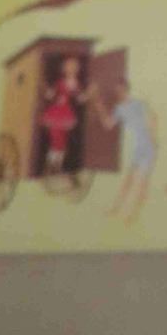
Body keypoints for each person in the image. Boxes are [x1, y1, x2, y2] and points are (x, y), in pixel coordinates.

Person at [90, 78, 159, 223]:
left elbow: (153, 117)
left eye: (121, 90)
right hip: (137, 147)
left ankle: (134, 215)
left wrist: (153, 138)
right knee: (128, 180)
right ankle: (116, 208)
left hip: (148, 146)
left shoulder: (138, 103)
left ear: (127, 89)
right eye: (117, 91)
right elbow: (108, 124)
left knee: (142, 182)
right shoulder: (119, 109)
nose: (119, 93)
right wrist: (99, 105)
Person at [39, 54, 86, 176]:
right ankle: (49, 166)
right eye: (68, 66)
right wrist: (44, 87)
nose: (71, 69)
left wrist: (89, 94)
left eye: (73, 67)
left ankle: (57, 166)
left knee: (62, 141)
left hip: (66, 112)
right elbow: (50, 95)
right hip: (56, 111)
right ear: (64, 69)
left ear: (77, 69)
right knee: (55, 139)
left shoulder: (76, 84)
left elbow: (80, 99)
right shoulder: (60, 82)